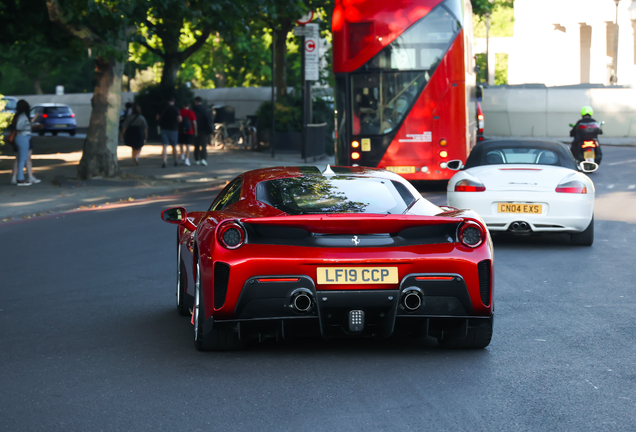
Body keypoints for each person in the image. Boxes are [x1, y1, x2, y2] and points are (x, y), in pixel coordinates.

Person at [9, 100, 36, 186]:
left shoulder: (18, 116)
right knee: (22, 159)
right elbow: (19, 127)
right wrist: (29, 126)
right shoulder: (23, 116)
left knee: (21, 158)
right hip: (23, 137)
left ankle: (17, 178)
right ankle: (20, 179)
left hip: (21, 137)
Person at [157, 97, 182, 168]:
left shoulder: (162, 109)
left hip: (164, 129)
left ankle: (164, 161)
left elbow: (157, 118)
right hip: (173, 129)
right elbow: (179, 119)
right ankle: (176, 161)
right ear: (173, 102)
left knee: (164, 146)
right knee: (174, 146)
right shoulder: (175, 109)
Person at [192, 96, 213, 165]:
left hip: (196, 130)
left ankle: (197, 159)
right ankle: (203, 159)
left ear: (196, 102)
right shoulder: (206, 110)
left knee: (196, 145)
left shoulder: (193, 110)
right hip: (204, 130)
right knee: (203, 145)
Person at [178, 102, 197, 166]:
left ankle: (182, 155)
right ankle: (187, 159)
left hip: (181, 131)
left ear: (183, 105)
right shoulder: (191, 112)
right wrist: (195, 131)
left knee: (181, 143)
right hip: (189, 131)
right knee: (188, 146)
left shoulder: (180, 111)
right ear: (189, 105)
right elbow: (194, 122)